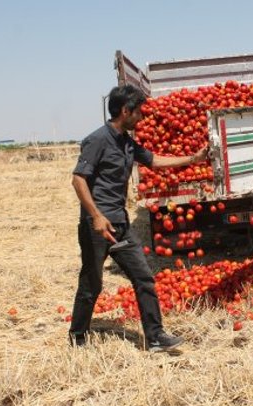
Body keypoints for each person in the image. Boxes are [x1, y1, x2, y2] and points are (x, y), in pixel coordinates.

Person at [69, 84, 209, 351]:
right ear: (125, 110)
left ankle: (155, 337)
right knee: (91, 282)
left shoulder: (126, 142)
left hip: (120, 223)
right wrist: (96, 217)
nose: (143, 116)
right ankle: (77, 337)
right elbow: (78, 180)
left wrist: (193, 158)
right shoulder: (97, 140)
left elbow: (154, 161)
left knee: (143, 276)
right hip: (97, 226)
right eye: (139, 111)